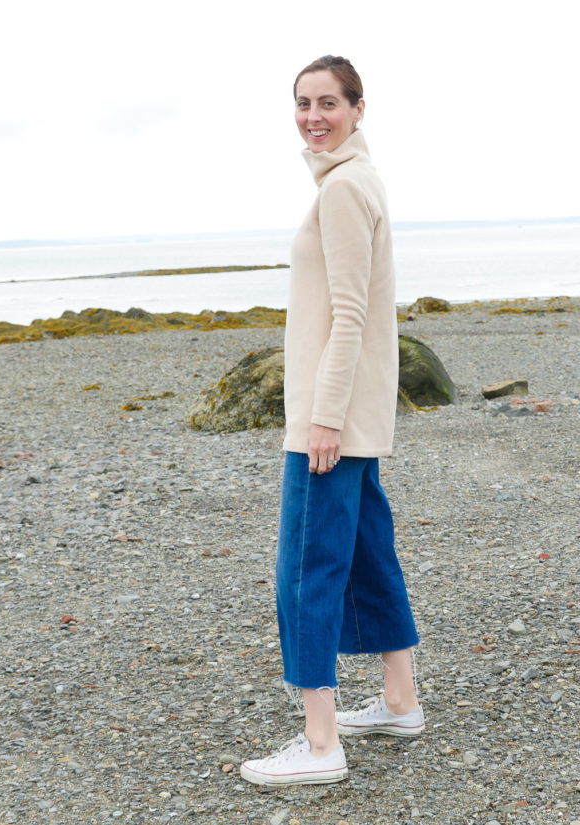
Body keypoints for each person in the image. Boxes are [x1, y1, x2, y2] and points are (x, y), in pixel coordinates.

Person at [240, 55, 422, 787]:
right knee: (369, 551)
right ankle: (400, 699)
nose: (314, 116)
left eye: (328, 103)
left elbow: (348, 318)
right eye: (303, 103)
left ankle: (320, 744)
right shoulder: (357, 179)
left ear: (358, 106)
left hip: (330, 421)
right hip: (357, 417)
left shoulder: (344, 189)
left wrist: (322, 420)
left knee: (306, 570)